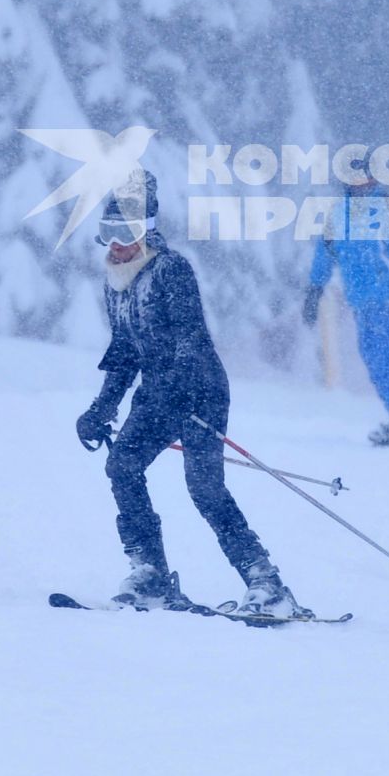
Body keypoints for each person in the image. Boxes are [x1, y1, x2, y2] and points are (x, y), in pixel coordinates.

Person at [76, 170, 305, 619]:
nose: (117, 244)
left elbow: (191, 338)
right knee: (122, 465)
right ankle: (150, 574)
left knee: (204, 488)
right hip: (157, 394)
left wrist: (181, 389)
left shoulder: (170, 269)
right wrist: (100, 408)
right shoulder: (115, 281)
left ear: (149, 230)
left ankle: (267, 584)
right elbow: (124, 352)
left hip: (200, 391)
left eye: (127, 232)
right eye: (108, 233)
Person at [302, 167, 389, 448]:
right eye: (354, 179)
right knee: (374, 362)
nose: (360, 184)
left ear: (374, 179)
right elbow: (324, 254)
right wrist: (315, 288)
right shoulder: (339, 215)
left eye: (365, 178)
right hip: (361, 302)